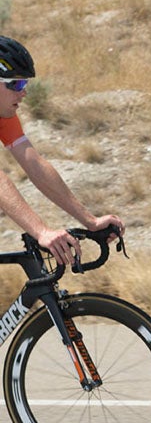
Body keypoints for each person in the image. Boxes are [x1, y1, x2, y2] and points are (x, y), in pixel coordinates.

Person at [0, 36, 124, 264]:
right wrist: (41, 232)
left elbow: (34, 164)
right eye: (16, 84)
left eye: (25, 84)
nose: (23, 92)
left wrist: (90, 221)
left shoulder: (4, 116)